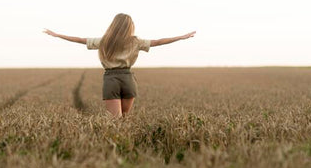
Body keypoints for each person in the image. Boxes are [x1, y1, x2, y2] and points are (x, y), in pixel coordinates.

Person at [43, 13, 196, 118]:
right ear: (130, 26)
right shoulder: (135, 41)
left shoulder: (104, 41)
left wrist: (58, 35)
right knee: (125, 119)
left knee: (114, 121)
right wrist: (180, 37)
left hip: (111, 79)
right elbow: (157, 42)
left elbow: (80, 39)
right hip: (128, 79)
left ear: (114, 25)